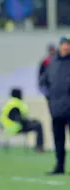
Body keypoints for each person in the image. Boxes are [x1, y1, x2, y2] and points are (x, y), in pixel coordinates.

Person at [40, 36, 70, 175]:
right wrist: (49, 97)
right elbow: (43, 82)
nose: (66, 47)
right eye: (64, 44)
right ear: (60, 46)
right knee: (58, 139)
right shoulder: (51, 62)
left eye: (68, 44)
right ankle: (59, 166)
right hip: (56, 108)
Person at [0, 88, 44, 152]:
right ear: (18, 94)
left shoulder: (10, 103)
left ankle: (39, 147)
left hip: (8, 128)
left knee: (35, 122)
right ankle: (39, 147)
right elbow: (18, 119)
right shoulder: (16, 104)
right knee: (38, 125)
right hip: (16, 128)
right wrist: (29, 122)